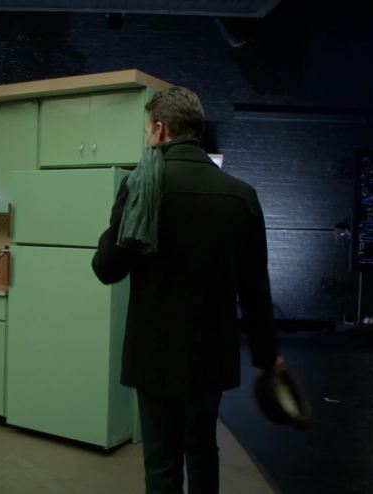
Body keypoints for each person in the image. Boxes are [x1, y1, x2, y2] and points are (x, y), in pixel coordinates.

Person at [92, 85, 282, 494]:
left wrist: (123, 210)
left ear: (160, 129)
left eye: (147, 129)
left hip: (155, 355)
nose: (147, 137)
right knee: (202, 448)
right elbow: (255, 289)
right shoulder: (242, 196)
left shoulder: (142, 186)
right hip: (212, 355)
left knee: (162, 462)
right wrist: (268, 358)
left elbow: (107, 268)